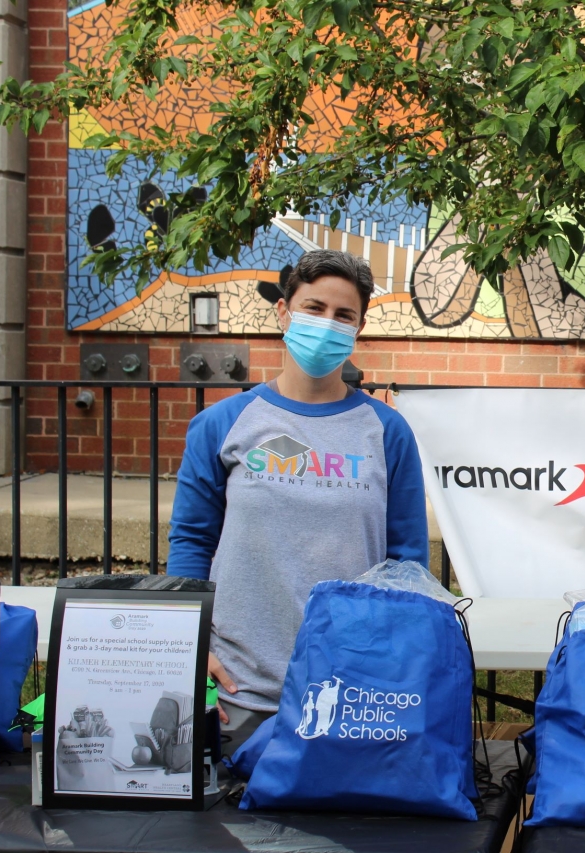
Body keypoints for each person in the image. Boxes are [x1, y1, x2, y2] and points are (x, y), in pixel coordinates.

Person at [168, 250, 429, 750]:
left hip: (349, 693)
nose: (327, 324)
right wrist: (189, 645)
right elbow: (192, 542)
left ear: (359, 328)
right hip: (238, 691)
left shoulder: (387, 431)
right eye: (314, 308)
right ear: (284, 312)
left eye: (343, 315)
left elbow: (407, 564)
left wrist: (387, 666)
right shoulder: (223, 424)